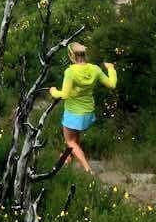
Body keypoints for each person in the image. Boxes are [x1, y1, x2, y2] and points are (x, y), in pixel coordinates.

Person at [48, 42, 117, 174]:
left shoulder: (70, 72)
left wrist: (53, 91)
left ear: (71, 55)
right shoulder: (95, 69)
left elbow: (65, 94)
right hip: (88, 113)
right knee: (74, 140)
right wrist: (111, 69)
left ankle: (87, 169)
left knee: (70, 141)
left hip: (73, 114)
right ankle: (67, 159)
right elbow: (112, 84)